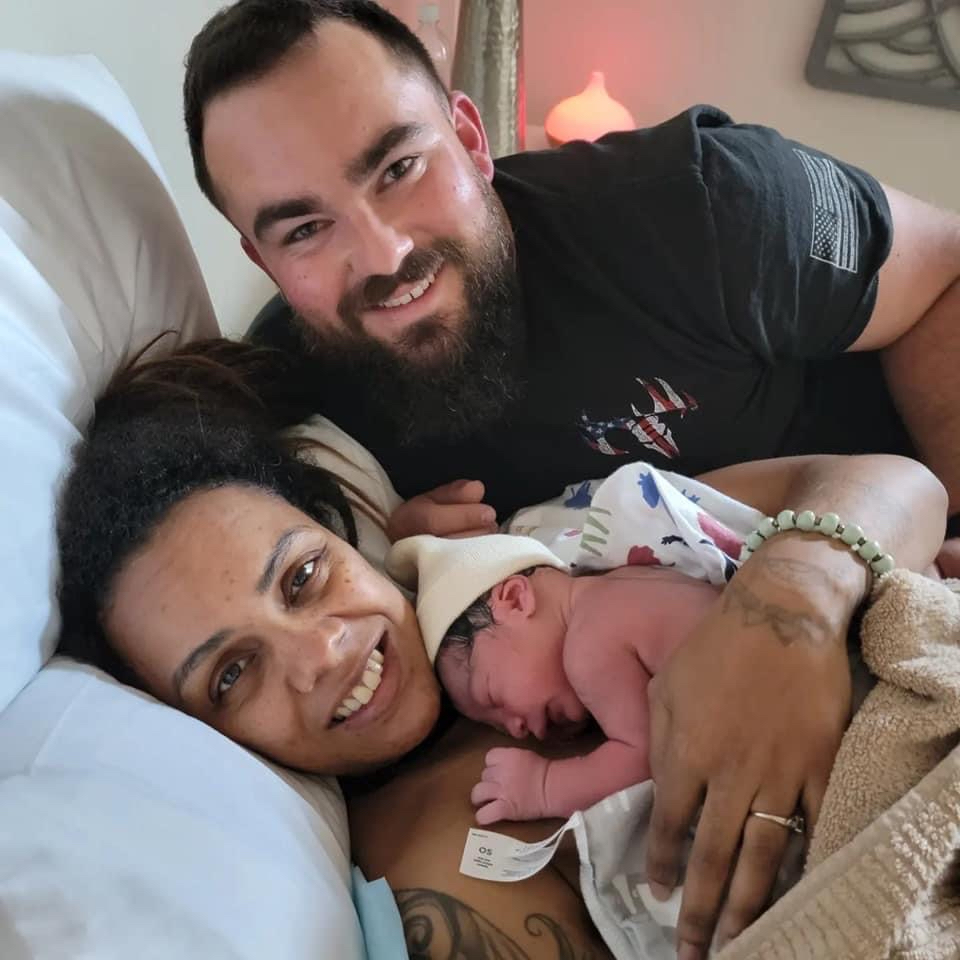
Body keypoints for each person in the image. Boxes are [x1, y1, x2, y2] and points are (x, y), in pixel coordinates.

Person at [181, 3, 960, 953]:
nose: (382, 256)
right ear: (258, 257)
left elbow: (946, 277)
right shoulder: (295, 419)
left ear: (470, 139)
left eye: (398, 167)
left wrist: (809, 592)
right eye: (303, 228)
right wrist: (393, 552)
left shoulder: (704, 207)